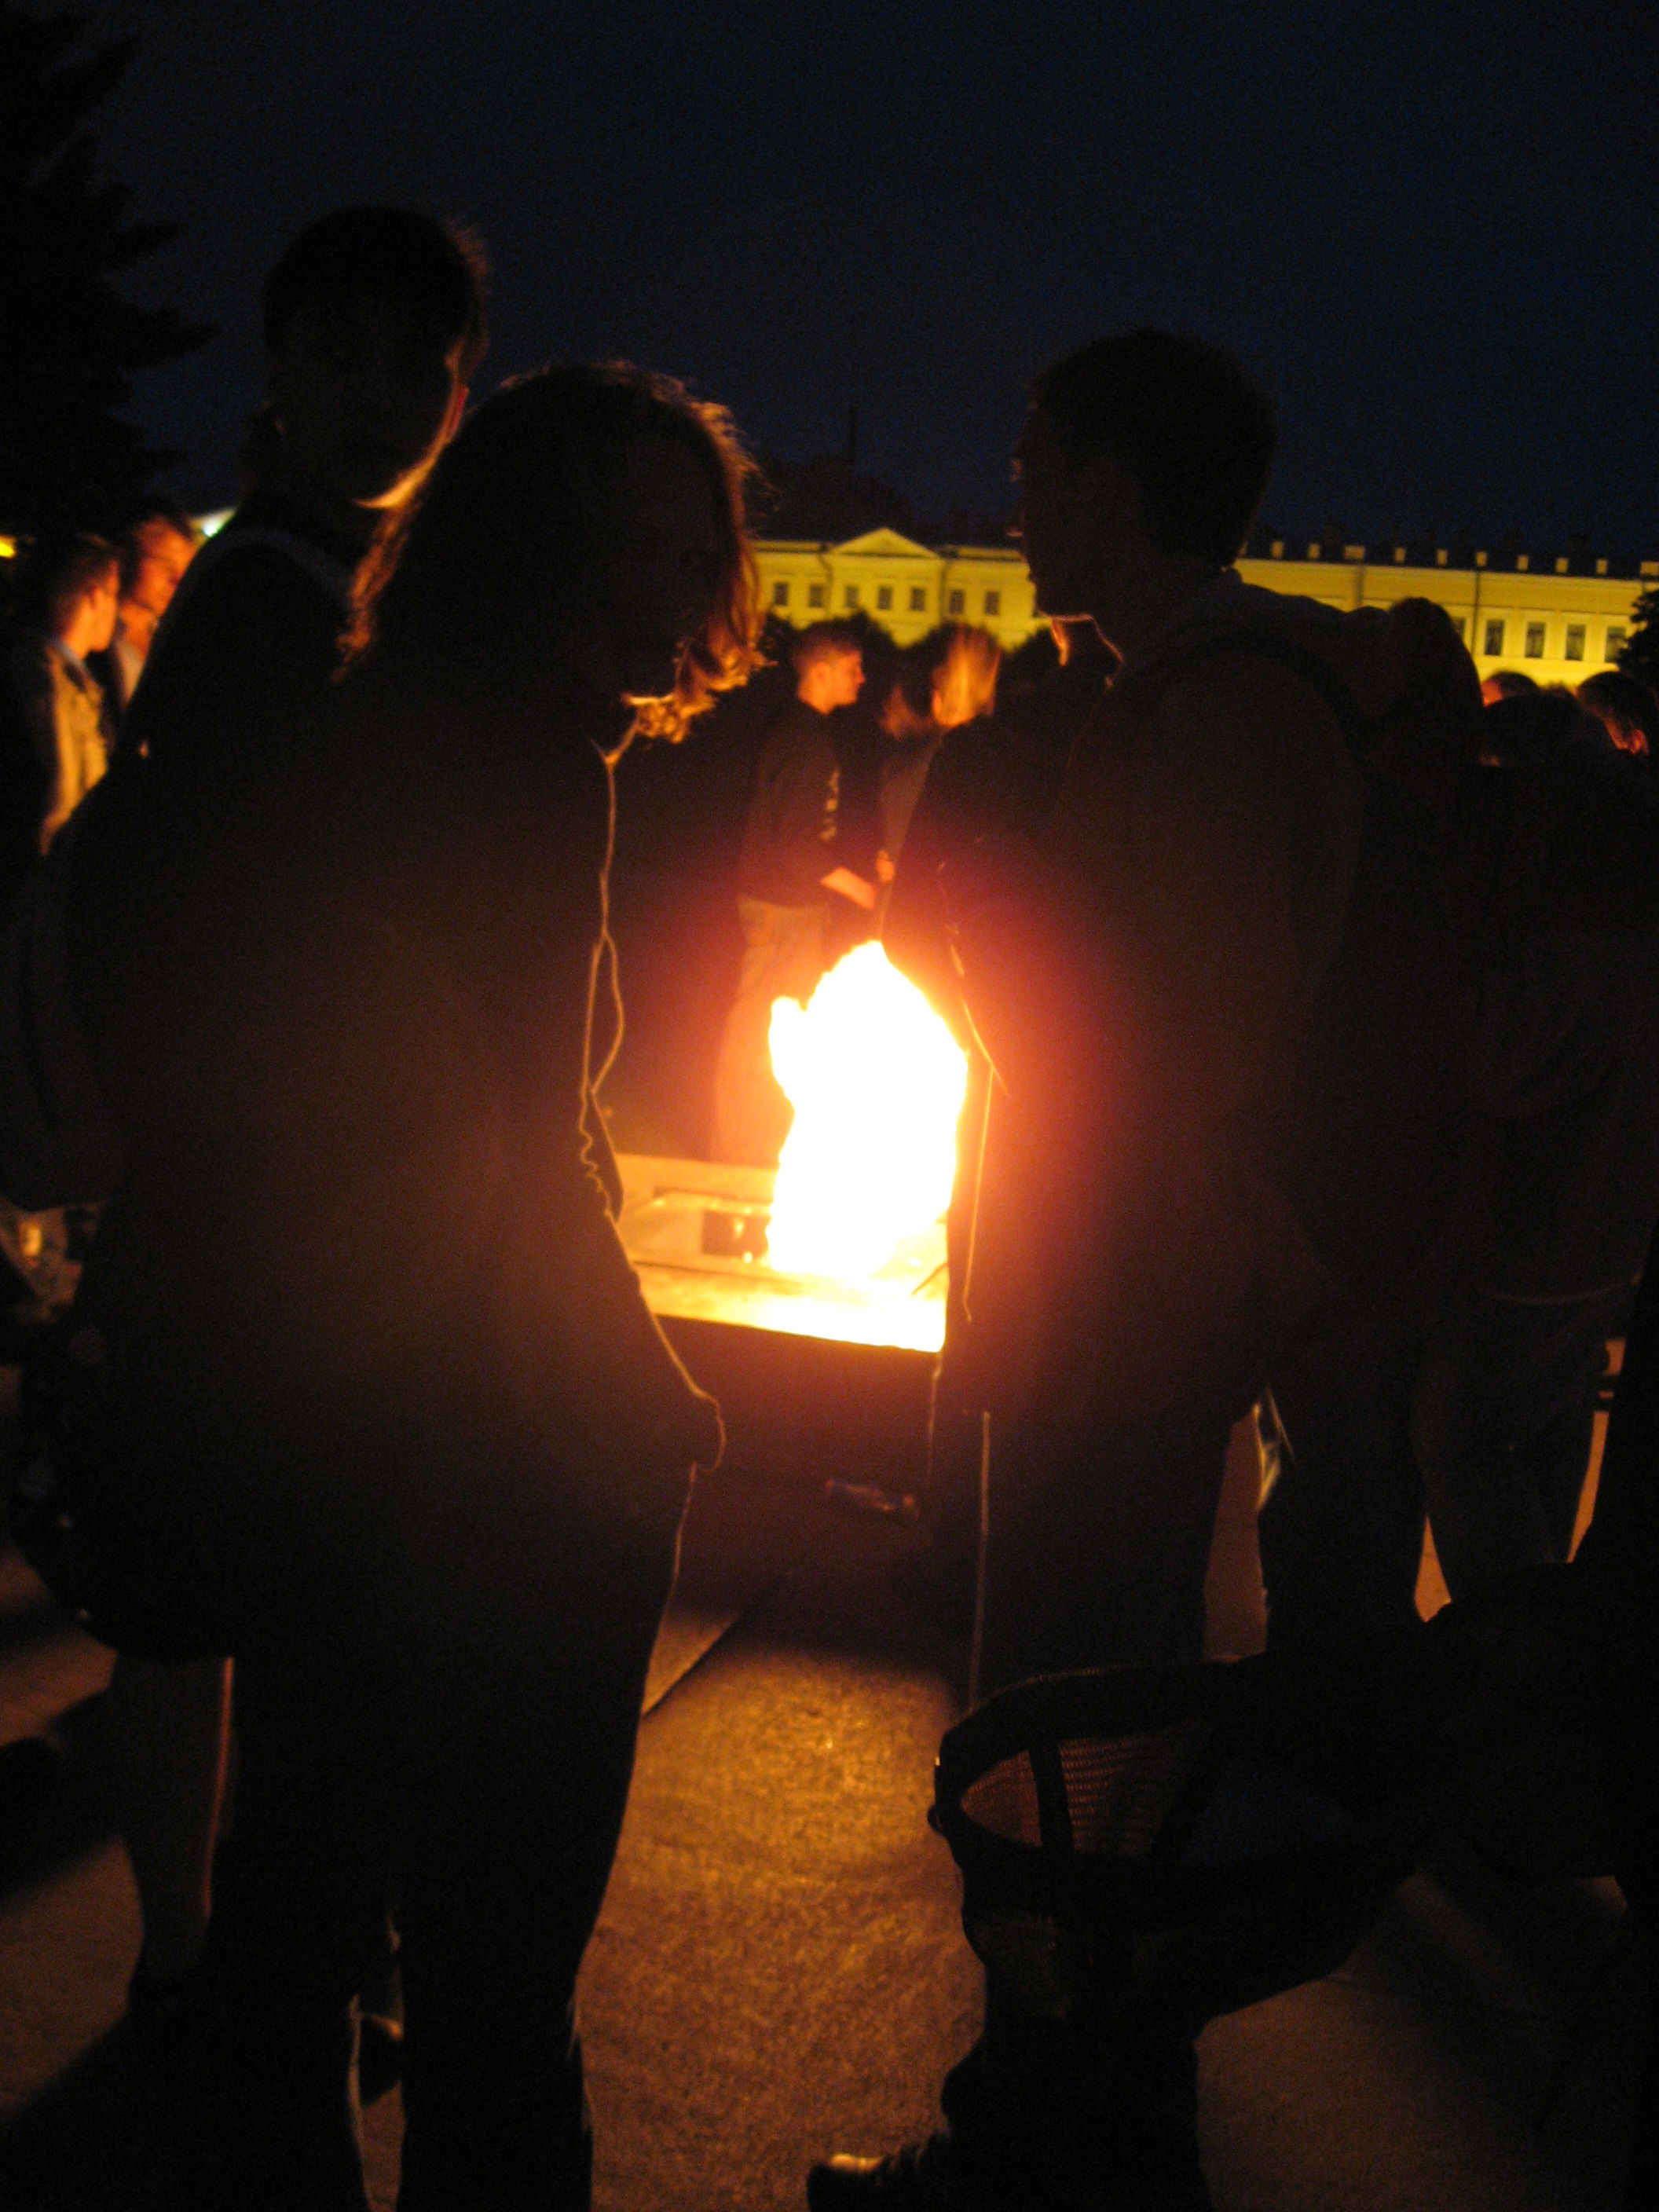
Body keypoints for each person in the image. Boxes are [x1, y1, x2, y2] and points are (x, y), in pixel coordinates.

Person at [62, 361, 760, 2210]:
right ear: (544, 547)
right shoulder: (524, 762)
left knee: (297, 1899)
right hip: (486, 1452)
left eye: (702, 537)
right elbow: (517, 1140)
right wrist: (652, 1409)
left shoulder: (372, 723)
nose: (685, 577)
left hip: (321, 1408)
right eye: (647, 538)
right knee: (492, 1978)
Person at [811, 330, 1380, 2210]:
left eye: (1039, 465)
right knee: (1071, 1759)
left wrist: (976, 923)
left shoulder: (1221, 715)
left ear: (1120, 488)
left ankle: (1068, 2162)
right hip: (1105, 1315)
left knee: (1075, 1768)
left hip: (1123, 1335)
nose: (1013, 498)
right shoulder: (1186, 693)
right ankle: (1061, 2138)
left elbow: (1153, 1059)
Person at [90, 207, 488, 2031]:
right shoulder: (282, 599)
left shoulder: (334, 579)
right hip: (255, 1191)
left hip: (254, 1183)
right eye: (336, 355)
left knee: (220, 1581)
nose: (374, 393)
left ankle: (227, 1945)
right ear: (276, 374)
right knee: (227, 1582)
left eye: (411, 361)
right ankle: (215, 1956)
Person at [712, 622, 878, 1163]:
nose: (862, 677)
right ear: (822, 671)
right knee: (759, 1037)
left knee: (768, 1032)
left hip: (784, 909)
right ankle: (738, 1160)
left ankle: (754, 1151)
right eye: (853, 668)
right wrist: (861, 889)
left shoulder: (799, 732)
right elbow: (798, 846)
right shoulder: (804, 739)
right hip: (782, 911)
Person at [1, 532, 119, 870]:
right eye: (114, 596)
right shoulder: (51, 685)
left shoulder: (62, 676)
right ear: (95, 597)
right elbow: (58, 810)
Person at [85, 507, 201, 742]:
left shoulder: (176, 639)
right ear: (125, 557)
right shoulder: (89, 638)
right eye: (165, 564)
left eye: (184, 570)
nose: (177, 580)